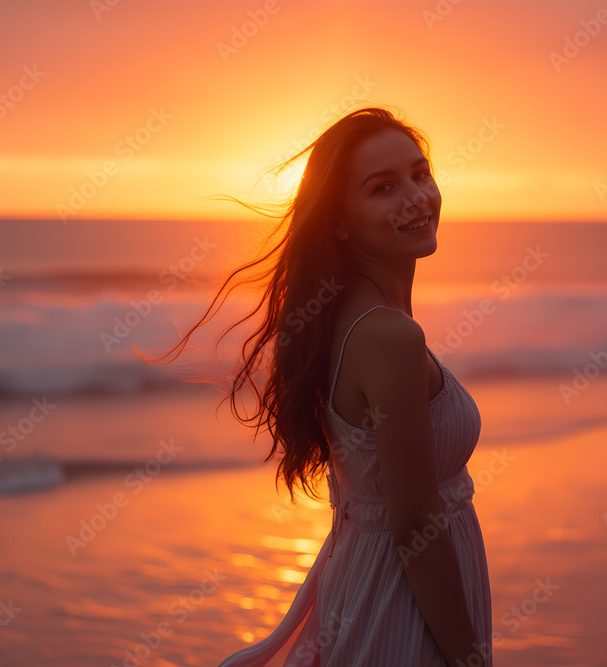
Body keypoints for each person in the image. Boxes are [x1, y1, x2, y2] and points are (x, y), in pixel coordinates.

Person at [150, 106, 492, 665]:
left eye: (420, 173)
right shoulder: (388, 336)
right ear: (339, 220)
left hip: (365, 584)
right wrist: (470, 660)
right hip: (399, 608)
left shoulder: (344, 318)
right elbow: (415, 529)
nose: (415, 196)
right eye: (383, 187)